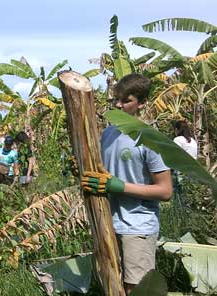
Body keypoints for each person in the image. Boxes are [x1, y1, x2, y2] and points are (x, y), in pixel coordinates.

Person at [81, 73, 172, 294]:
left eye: (127, 101)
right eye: (116, 100)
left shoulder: (150, 138)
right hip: (107, 222)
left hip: (137, 226)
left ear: (141, 104)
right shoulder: (108, 134)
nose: (119, 105)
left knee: (136, 289)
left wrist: (120, 187)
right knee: (112, 286)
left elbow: (165, 190)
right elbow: (103, 172)